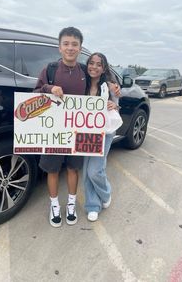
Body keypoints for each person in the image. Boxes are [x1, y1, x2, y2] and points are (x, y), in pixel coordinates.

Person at [34, 27, 120, 228]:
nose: (70, 48)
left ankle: (71, 204)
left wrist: (115, 93)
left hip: (78, 134)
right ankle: (54, 205)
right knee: (53, 170)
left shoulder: (84, 70)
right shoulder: (50, 70)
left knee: (74, 168)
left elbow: (102, 78)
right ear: (59, 47)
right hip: (53, 132)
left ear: (80, 48)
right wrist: (49, 88)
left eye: (75, 44)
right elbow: (36, 92)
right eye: (66, 44)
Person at [83, 52, 120, 222]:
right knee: (86, 169)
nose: (94, 67)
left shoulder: (110, 86)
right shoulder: (81, 82)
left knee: (95, 170)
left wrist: (114, 104)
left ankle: (105, 193)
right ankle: (92, 205)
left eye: (98, 64)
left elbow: (117, 106)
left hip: (105, 132)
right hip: (84, 132)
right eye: (91, 63)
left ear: (103, 68)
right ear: (87, 64)